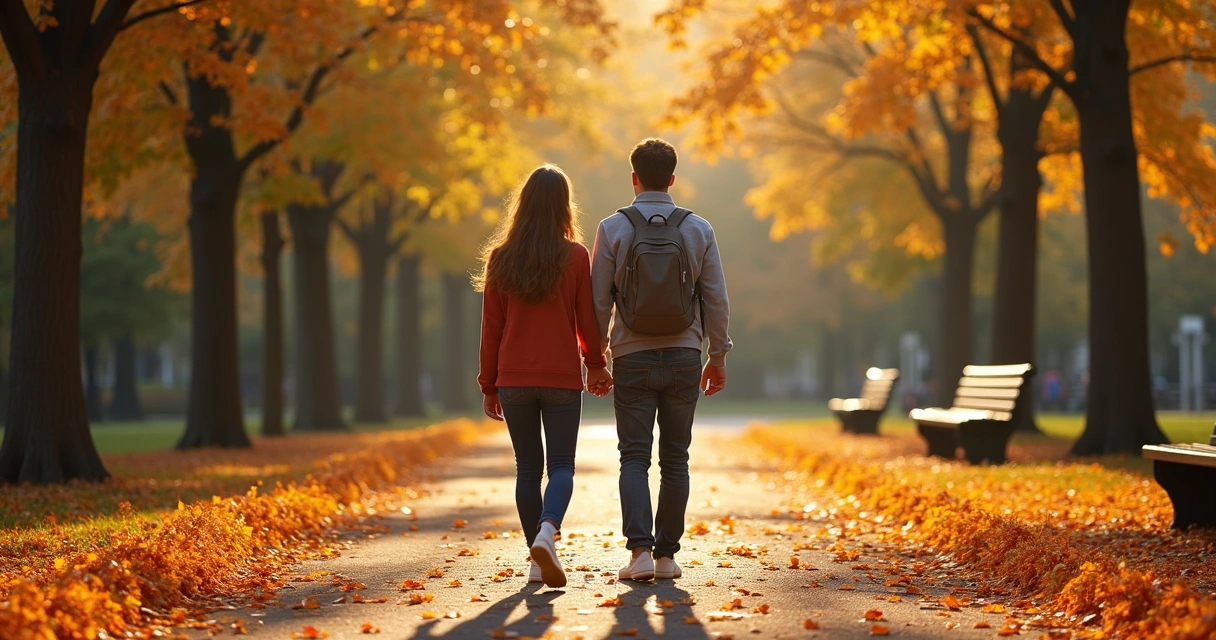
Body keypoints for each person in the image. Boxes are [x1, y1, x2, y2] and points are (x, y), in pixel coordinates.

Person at [591, 138, 733, 581]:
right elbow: (715, 298)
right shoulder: (698, 228)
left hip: (631, 355)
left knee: (633, 456)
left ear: (633, 178)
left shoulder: (611, 228)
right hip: (685, 353)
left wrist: (595, 359)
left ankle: (638, 554)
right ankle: (667, 556)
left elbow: (597, 301)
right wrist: (719, 354)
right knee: (676, 457)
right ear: (673, 179)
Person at [476, 165, 614, 589]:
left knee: (526, 469)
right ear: (563, 206)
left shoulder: (501, 258)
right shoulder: (574, 256)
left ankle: (536, 559)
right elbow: (586, 321)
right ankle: (547, 532)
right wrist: (595, 363)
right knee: (561, 466)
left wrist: (489, 383)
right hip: (560, 379)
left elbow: (492, 328)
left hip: (514, 378)